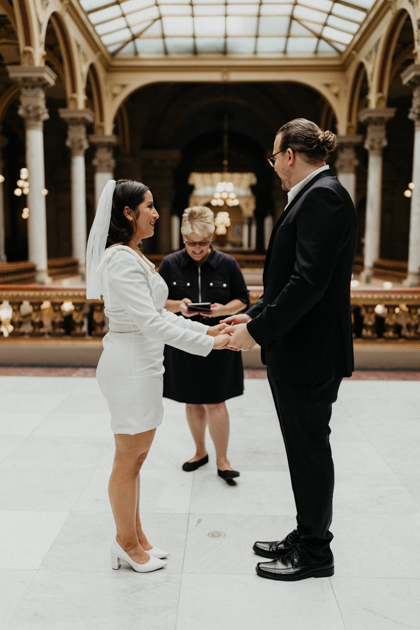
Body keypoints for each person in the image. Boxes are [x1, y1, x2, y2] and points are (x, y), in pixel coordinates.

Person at [225, 119, 357, 581]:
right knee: (303, 450)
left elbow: (308, 284)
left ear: (289, 156)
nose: (275, 166)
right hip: (302, 349)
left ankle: (317, 553)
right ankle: (307, 534)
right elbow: (290, 281)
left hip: (310, 353)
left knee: (309, 451)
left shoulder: (322, 195)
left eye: (274, 157)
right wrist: (255, 316)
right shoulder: (316, 194)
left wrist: (259, 332)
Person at [86, 180, 231, 574]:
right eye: (149, 206)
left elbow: (160, 314)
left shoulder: (134, 255)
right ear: (128, 214)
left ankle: (138, 538)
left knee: (138, 457)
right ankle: (125, 544)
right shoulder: (119, 259)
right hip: (130, 366)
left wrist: (209, 332)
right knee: (128, 459)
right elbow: (150, 323)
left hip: (143, 364)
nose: (156, 212)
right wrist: (211, 346)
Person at [159, 206, 249, 481]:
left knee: (217, 402)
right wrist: (180, 306)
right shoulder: (170, 264)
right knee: (193, 401)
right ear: (183, 237)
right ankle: (200, 452)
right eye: (191, 243)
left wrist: (222, 310)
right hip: (183, 341)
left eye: (203, 243)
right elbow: (157, 302)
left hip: (221, 338)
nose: (197, 249)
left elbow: (243, 299)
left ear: (211, 237)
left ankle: (222, 459)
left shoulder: (227, 263)